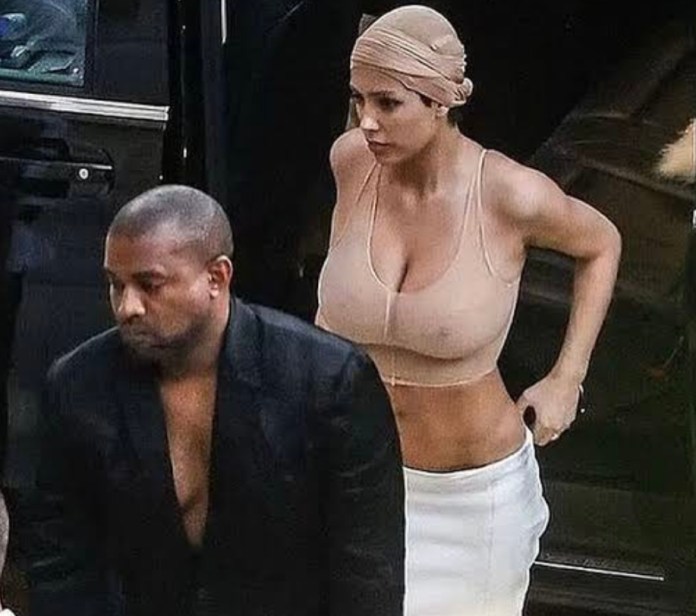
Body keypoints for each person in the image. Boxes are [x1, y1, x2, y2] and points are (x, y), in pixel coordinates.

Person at [315, 6, 622, 616]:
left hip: (469, 498)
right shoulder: (351, 162)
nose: (367, 121)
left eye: (388, 103)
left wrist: (567, 378)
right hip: (353, 478)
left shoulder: (509, 193)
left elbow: (601, 243)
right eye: (358, 101)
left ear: (442, 102)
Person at [16, 185, 405, 616]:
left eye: (149, 285)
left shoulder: (329, 381)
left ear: (217, 277)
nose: (127, 307)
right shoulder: (78, 385)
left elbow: (367, 573)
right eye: (115, 285)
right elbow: (61, 565)